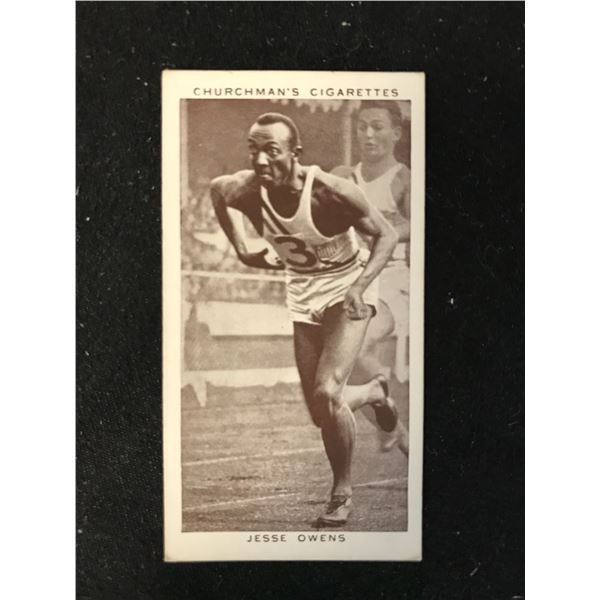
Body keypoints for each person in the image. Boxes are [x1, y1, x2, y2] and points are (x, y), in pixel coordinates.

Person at [210, 112, 403, 526]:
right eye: (254, 150)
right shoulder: (245, 189)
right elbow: (216, 191)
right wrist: (242, 249)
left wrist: (359, 286)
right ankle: (373, 391)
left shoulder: (330, 193)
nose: (261, 160)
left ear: (294, 153)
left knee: (328, 392)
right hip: (302, 293)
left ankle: (341, 492)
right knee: (321, 412)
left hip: (347, 288)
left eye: (272, 151)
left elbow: (386, 235)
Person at [332, 100, 411, 455]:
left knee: (355, 347)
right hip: (352, 280)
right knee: (340, 369)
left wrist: (381, 230)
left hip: (393, 280)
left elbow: (420, 226)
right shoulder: (343, 175)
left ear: (396, 132)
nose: (368, 134)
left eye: (377, 126)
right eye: (362, 126)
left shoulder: (405, 179)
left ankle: (386, 414)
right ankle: (398, 432)